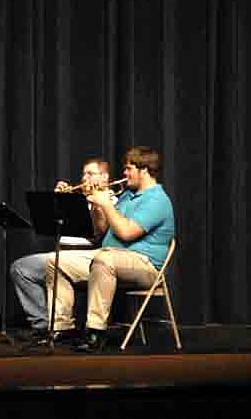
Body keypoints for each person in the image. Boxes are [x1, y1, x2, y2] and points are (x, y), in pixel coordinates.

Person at [45, 146, 175, 353]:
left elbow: (125, 233)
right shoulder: (126, 196)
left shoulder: (157, 200)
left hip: (146, 265)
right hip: (108, 259)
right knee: (56, 262)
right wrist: (96, 204)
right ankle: (62, 329)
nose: (124, 173)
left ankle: (95, 331)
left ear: (144, 170)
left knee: (105, 259)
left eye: (128, 168)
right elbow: (100, 231)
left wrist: (106, 204)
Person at [9, 158, 114, 345]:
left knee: (49, 265)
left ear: (105, 177)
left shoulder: (110, 199)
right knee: (20, 268)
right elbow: (53, 227)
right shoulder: (79, 198)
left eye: (90, 174)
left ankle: (58, 327)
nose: (85, 178)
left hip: (84, 258)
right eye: (84, 173)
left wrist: (97, 203)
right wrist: (59, 201)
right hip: (59, 255)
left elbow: (98, 232)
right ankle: (43, 325)